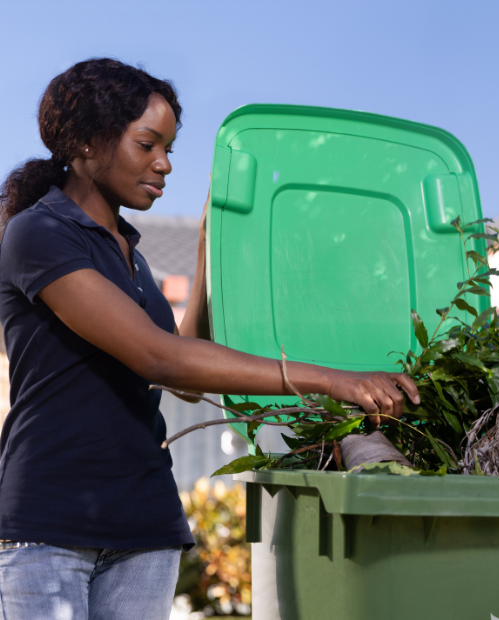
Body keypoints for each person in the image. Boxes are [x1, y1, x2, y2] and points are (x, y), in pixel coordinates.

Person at [0, 58, 419, 619]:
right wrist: (335, 381)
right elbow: (160, 359)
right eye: (148, 144)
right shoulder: (39, 233)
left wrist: (206, 250)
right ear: (86, 144)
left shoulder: (133, 256)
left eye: (169, 147)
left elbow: (186, 371)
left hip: (144, 524)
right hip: (49, 522)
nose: (165, 163)